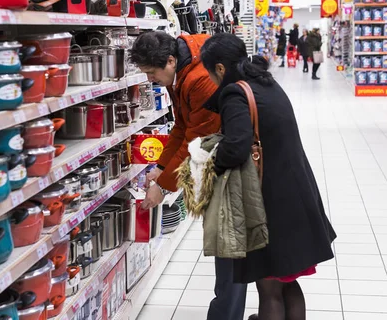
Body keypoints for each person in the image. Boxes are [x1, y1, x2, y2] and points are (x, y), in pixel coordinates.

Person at [200, 33, 336, 320]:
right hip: (296, 193)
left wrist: (209, 164)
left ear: (220, 69)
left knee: (270, 287)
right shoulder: (265, 82)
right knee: (287, 282)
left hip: (270, 201)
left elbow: (236, 148)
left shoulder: (236, 93)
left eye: (210, 72)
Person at [129, 31, 249, 320]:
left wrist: (164, 186)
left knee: (229, 248)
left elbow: (198, 141)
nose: (149, 80)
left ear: (170, 60)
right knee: (229, 250)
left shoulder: (200, 79)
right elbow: (181, 127)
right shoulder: (181, 73)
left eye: (151, 73)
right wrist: (159, 167)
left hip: (231, 167)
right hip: (219, 161)